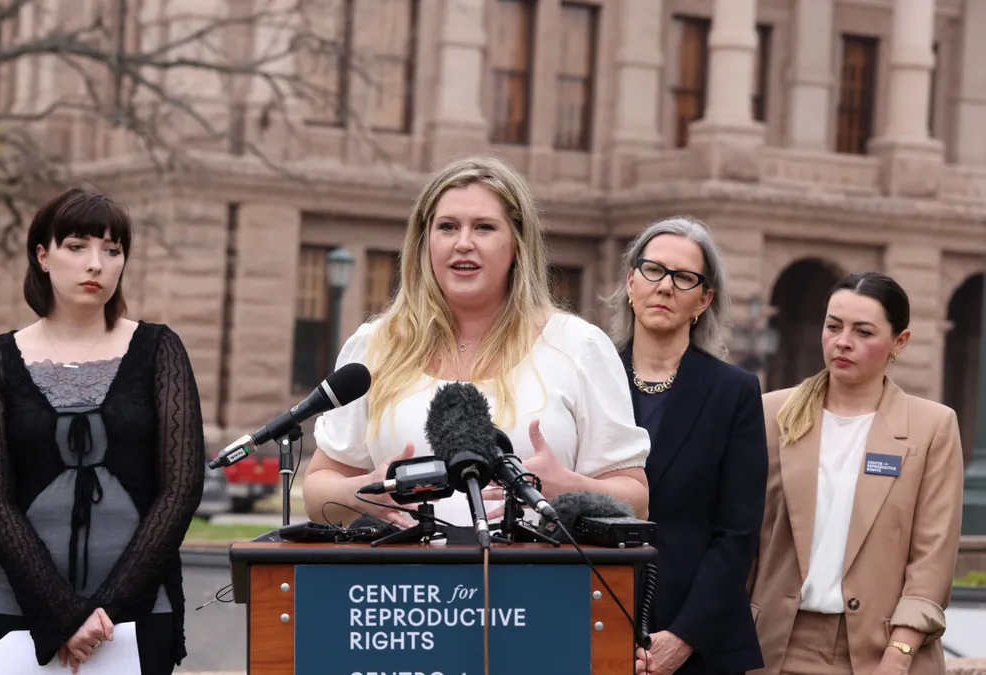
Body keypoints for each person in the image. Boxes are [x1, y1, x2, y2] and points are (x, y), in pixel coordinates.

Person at [301, 156, 650, 532]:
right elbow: (317, 494)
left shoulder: (579, 346)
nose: (463, 243)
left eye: (484, 227)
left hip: (539, 579)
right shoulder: (375, 346)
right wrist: (364, 492)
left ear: (517, 245)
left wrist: (571, 489)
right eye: (448, 227)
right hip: (404, 583)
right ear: (425, 242)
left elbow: (636, 498)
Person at [0, 188, 206, 674]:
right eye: (78, 247)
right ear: (42, 256)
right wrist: (66, 615)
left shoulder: (159, 349)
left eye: (112, 251)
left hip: (135, 615)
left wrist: (104, 611)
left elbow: (181, 489)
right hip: (13, 611)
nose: (97, 263)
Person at [749, 272, 963, 675]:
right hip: (774, 649)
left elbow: (932, 559)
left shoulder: (931, 426)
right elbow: (742, 539)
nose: (842, 341)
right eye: (833, 326)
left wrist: (898, 655)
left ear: (900, 342)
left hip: (882, 654)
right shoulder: (770, 415)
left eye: (863, 331)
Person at [607, 217, 767, 675]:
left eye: (684, 278)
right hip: (593, 617)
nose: (665, 287)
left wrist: (683, 638)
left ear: (704, 300)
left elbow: (737, 535)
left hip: (698, 643)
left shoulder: (734, 392)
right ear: (631, 282)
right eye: (653, 270)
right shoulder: (588, 381)